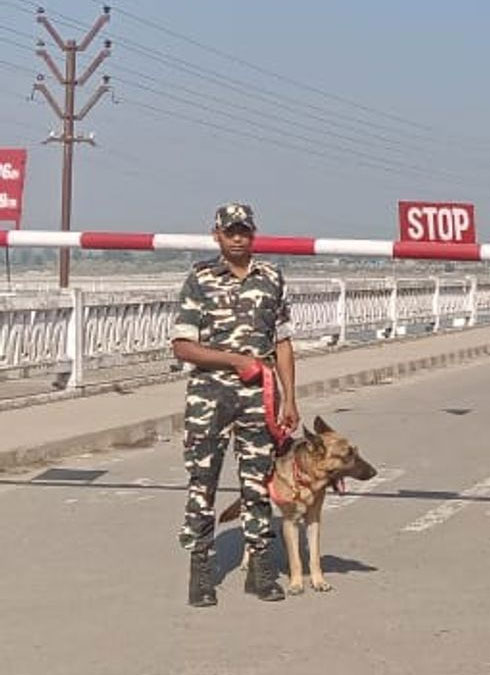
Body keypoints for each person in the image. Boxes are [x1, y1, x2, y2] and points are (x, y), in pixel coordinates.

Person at [171, 203, 299, 607]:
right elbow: (183, 346)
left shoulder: (271, 278)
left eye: (244, 231)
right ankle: (201, 570)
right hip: (209, 396)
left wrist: (290, 397)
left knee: (257, 483)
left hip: (259, 397)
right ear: (218, 236)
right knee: (202, 482)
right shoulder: (201, 278)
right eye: (231, 232)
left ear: (253, 234)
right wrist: (234, 361)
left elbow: (282, 341)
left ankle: (260, 568)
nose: (238, 238)